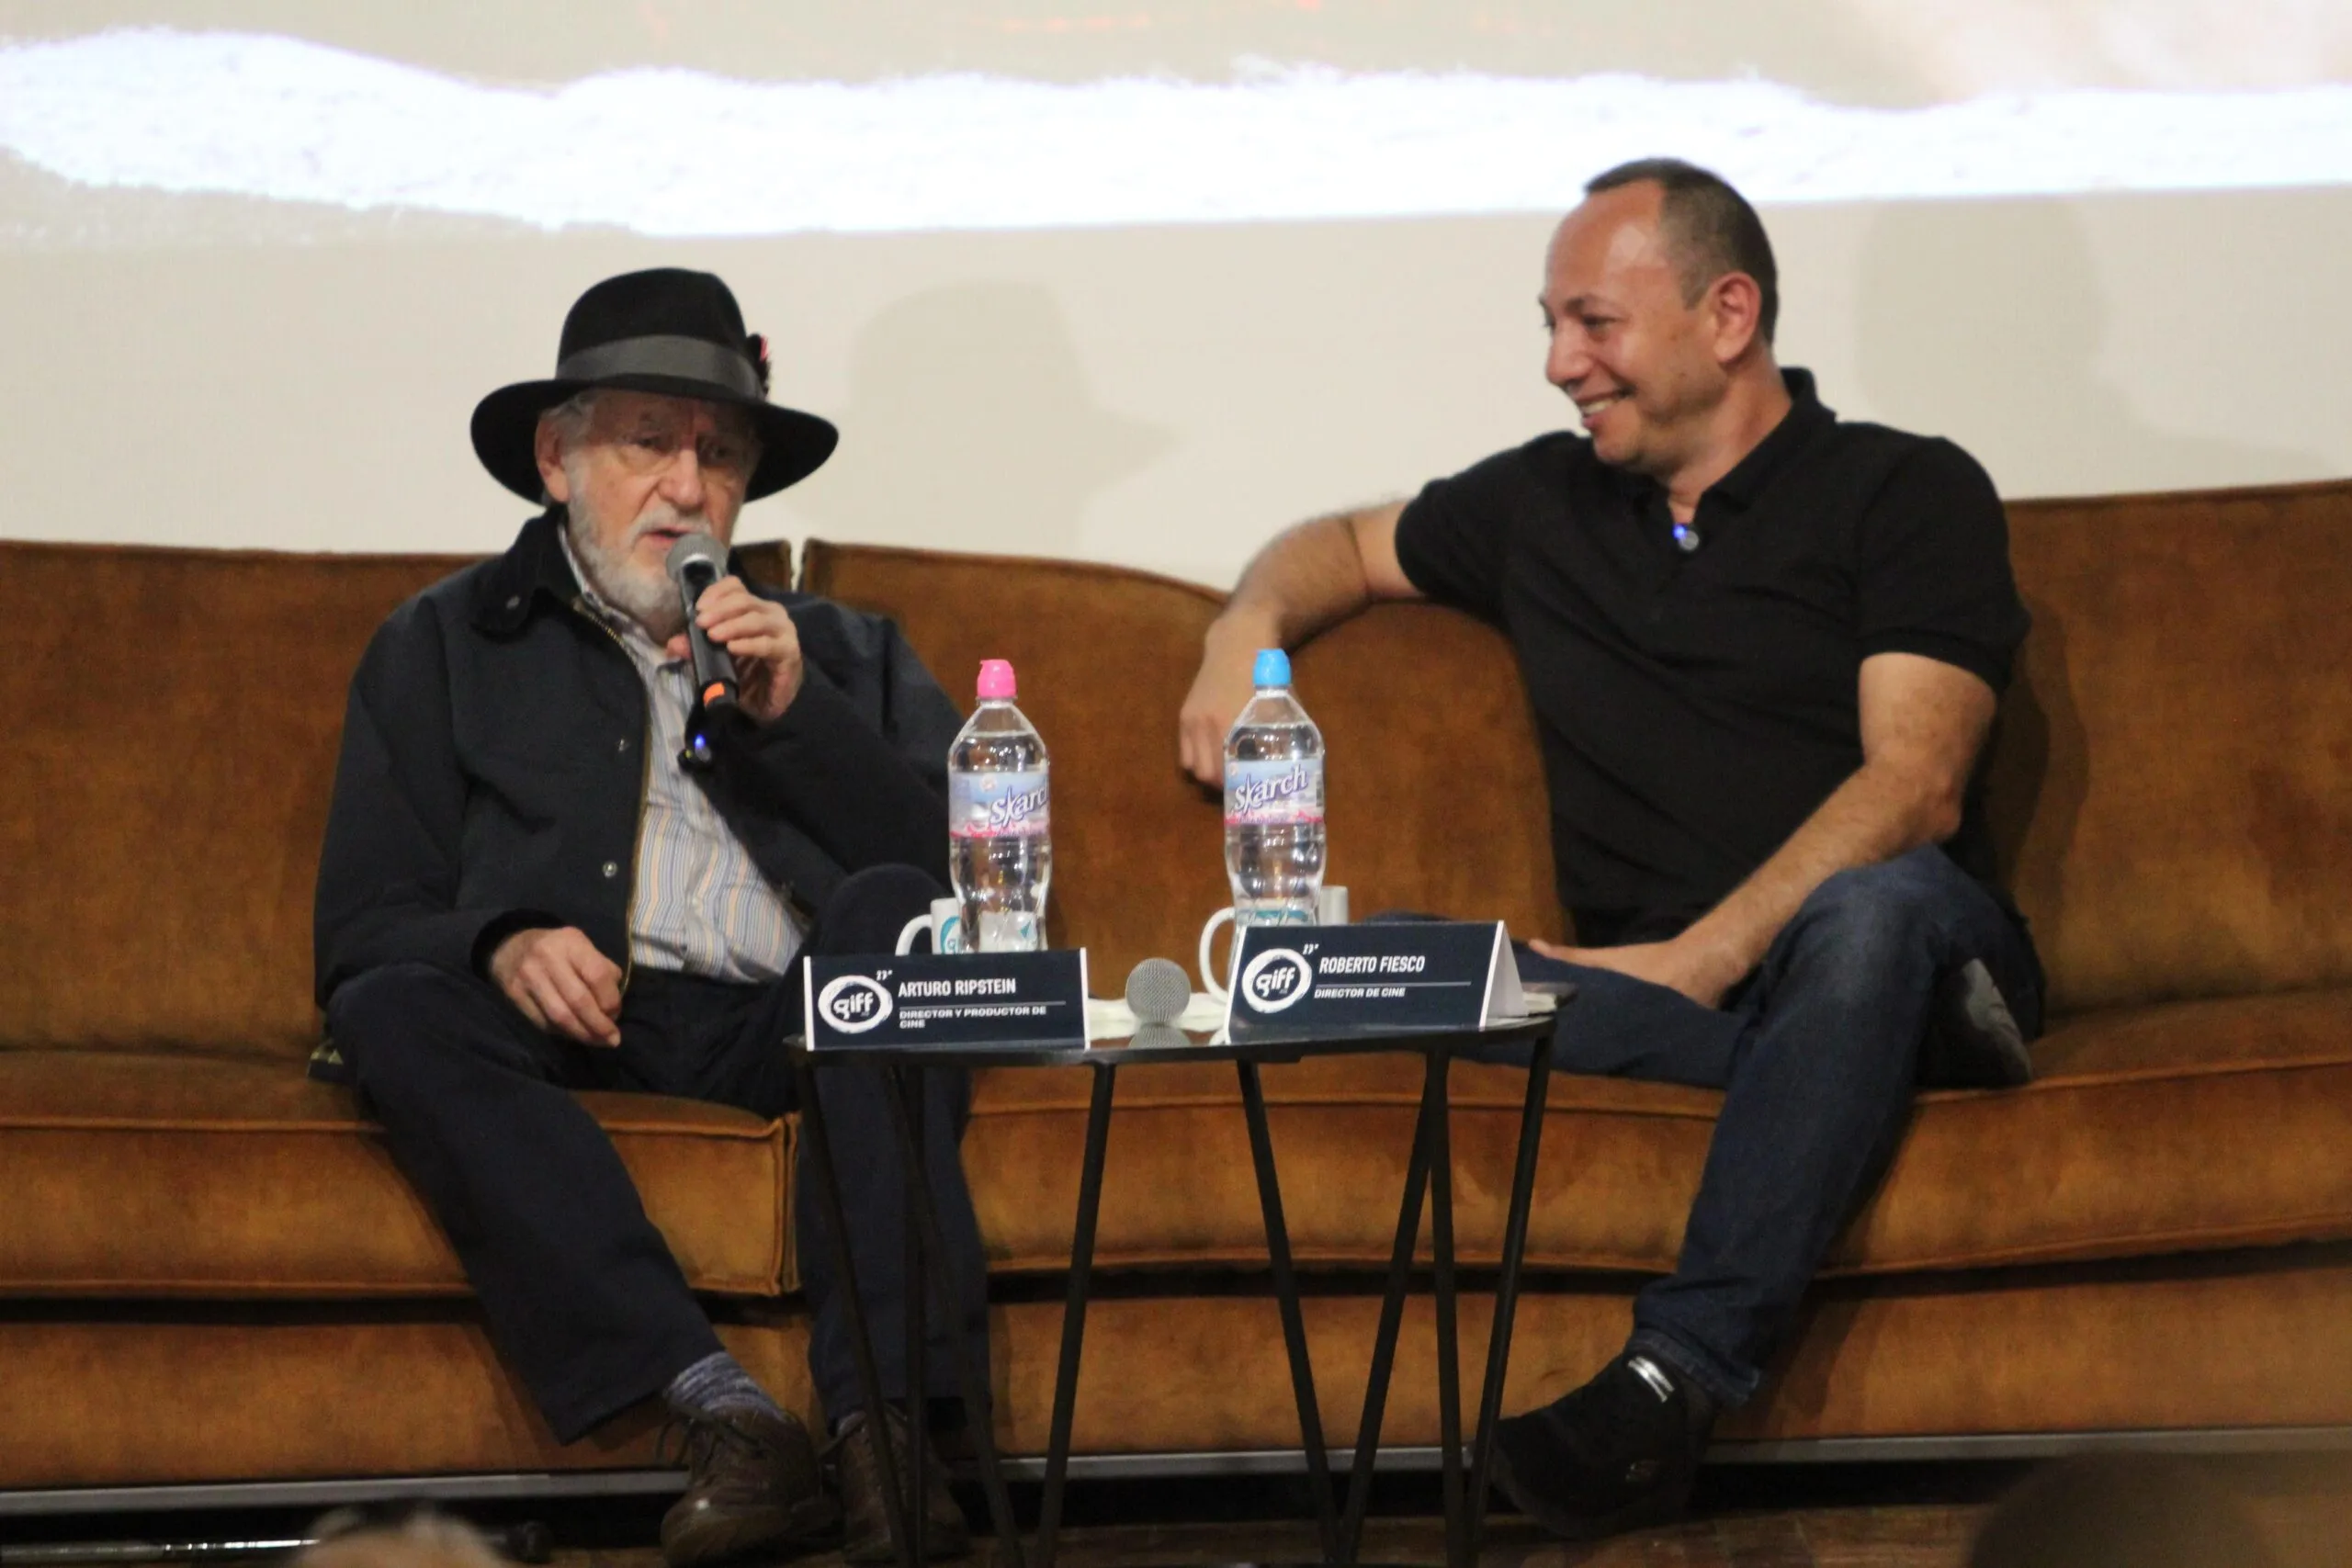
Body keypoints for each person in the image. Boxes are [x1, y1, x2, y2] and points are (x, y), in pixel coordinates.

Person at [1178, 158, 2045, 1540]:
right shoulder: (1547, 505)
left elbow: (1918, 784)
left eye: (1593, 322)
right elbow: (1340, 543)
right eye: (1549, 323)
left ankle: (1671, 1375)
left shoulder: (1904, 489)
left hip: (1876, 937)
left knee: (1872, 919)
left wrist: (1702, 955)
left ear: (1728, 313)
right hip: (1653, 999)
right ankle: (1861, 1061)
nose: (1557, 363)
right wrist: (1244, 634)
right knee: (1351, 965)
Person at [314, 268, 980, 1565]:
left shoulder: (839, 650)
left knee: (898, 920)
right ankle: (722, 1412)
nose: (688, 485)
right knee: (392, 1004)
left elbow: (974, 896)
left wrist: (803, 722)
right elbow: (362, 920)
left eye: (720, 453)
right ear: (556, 457)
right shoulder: (444, 641)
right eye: (649, 442)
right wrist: (496, 939)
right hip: (572, 1032)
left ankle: (887, 1435)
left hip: (788, 1027)